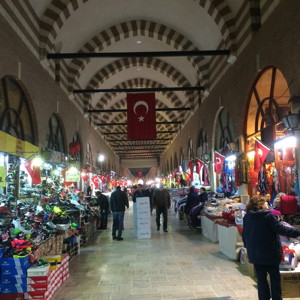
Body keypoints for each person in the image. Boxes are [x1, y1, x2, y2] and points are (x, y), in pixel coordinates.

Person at [242, 195, 300, 300]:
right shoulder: (267, 216)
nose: (267, 205)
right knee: (274, 280)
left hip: (256, 255)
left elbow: (245, 235)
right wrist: (297, 232)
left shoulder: (247, 217)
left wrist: (249, 248)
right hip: (270, 254)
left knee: (261, 280)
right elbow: (281, 229)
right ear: (261, 204)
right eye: (265, 203)